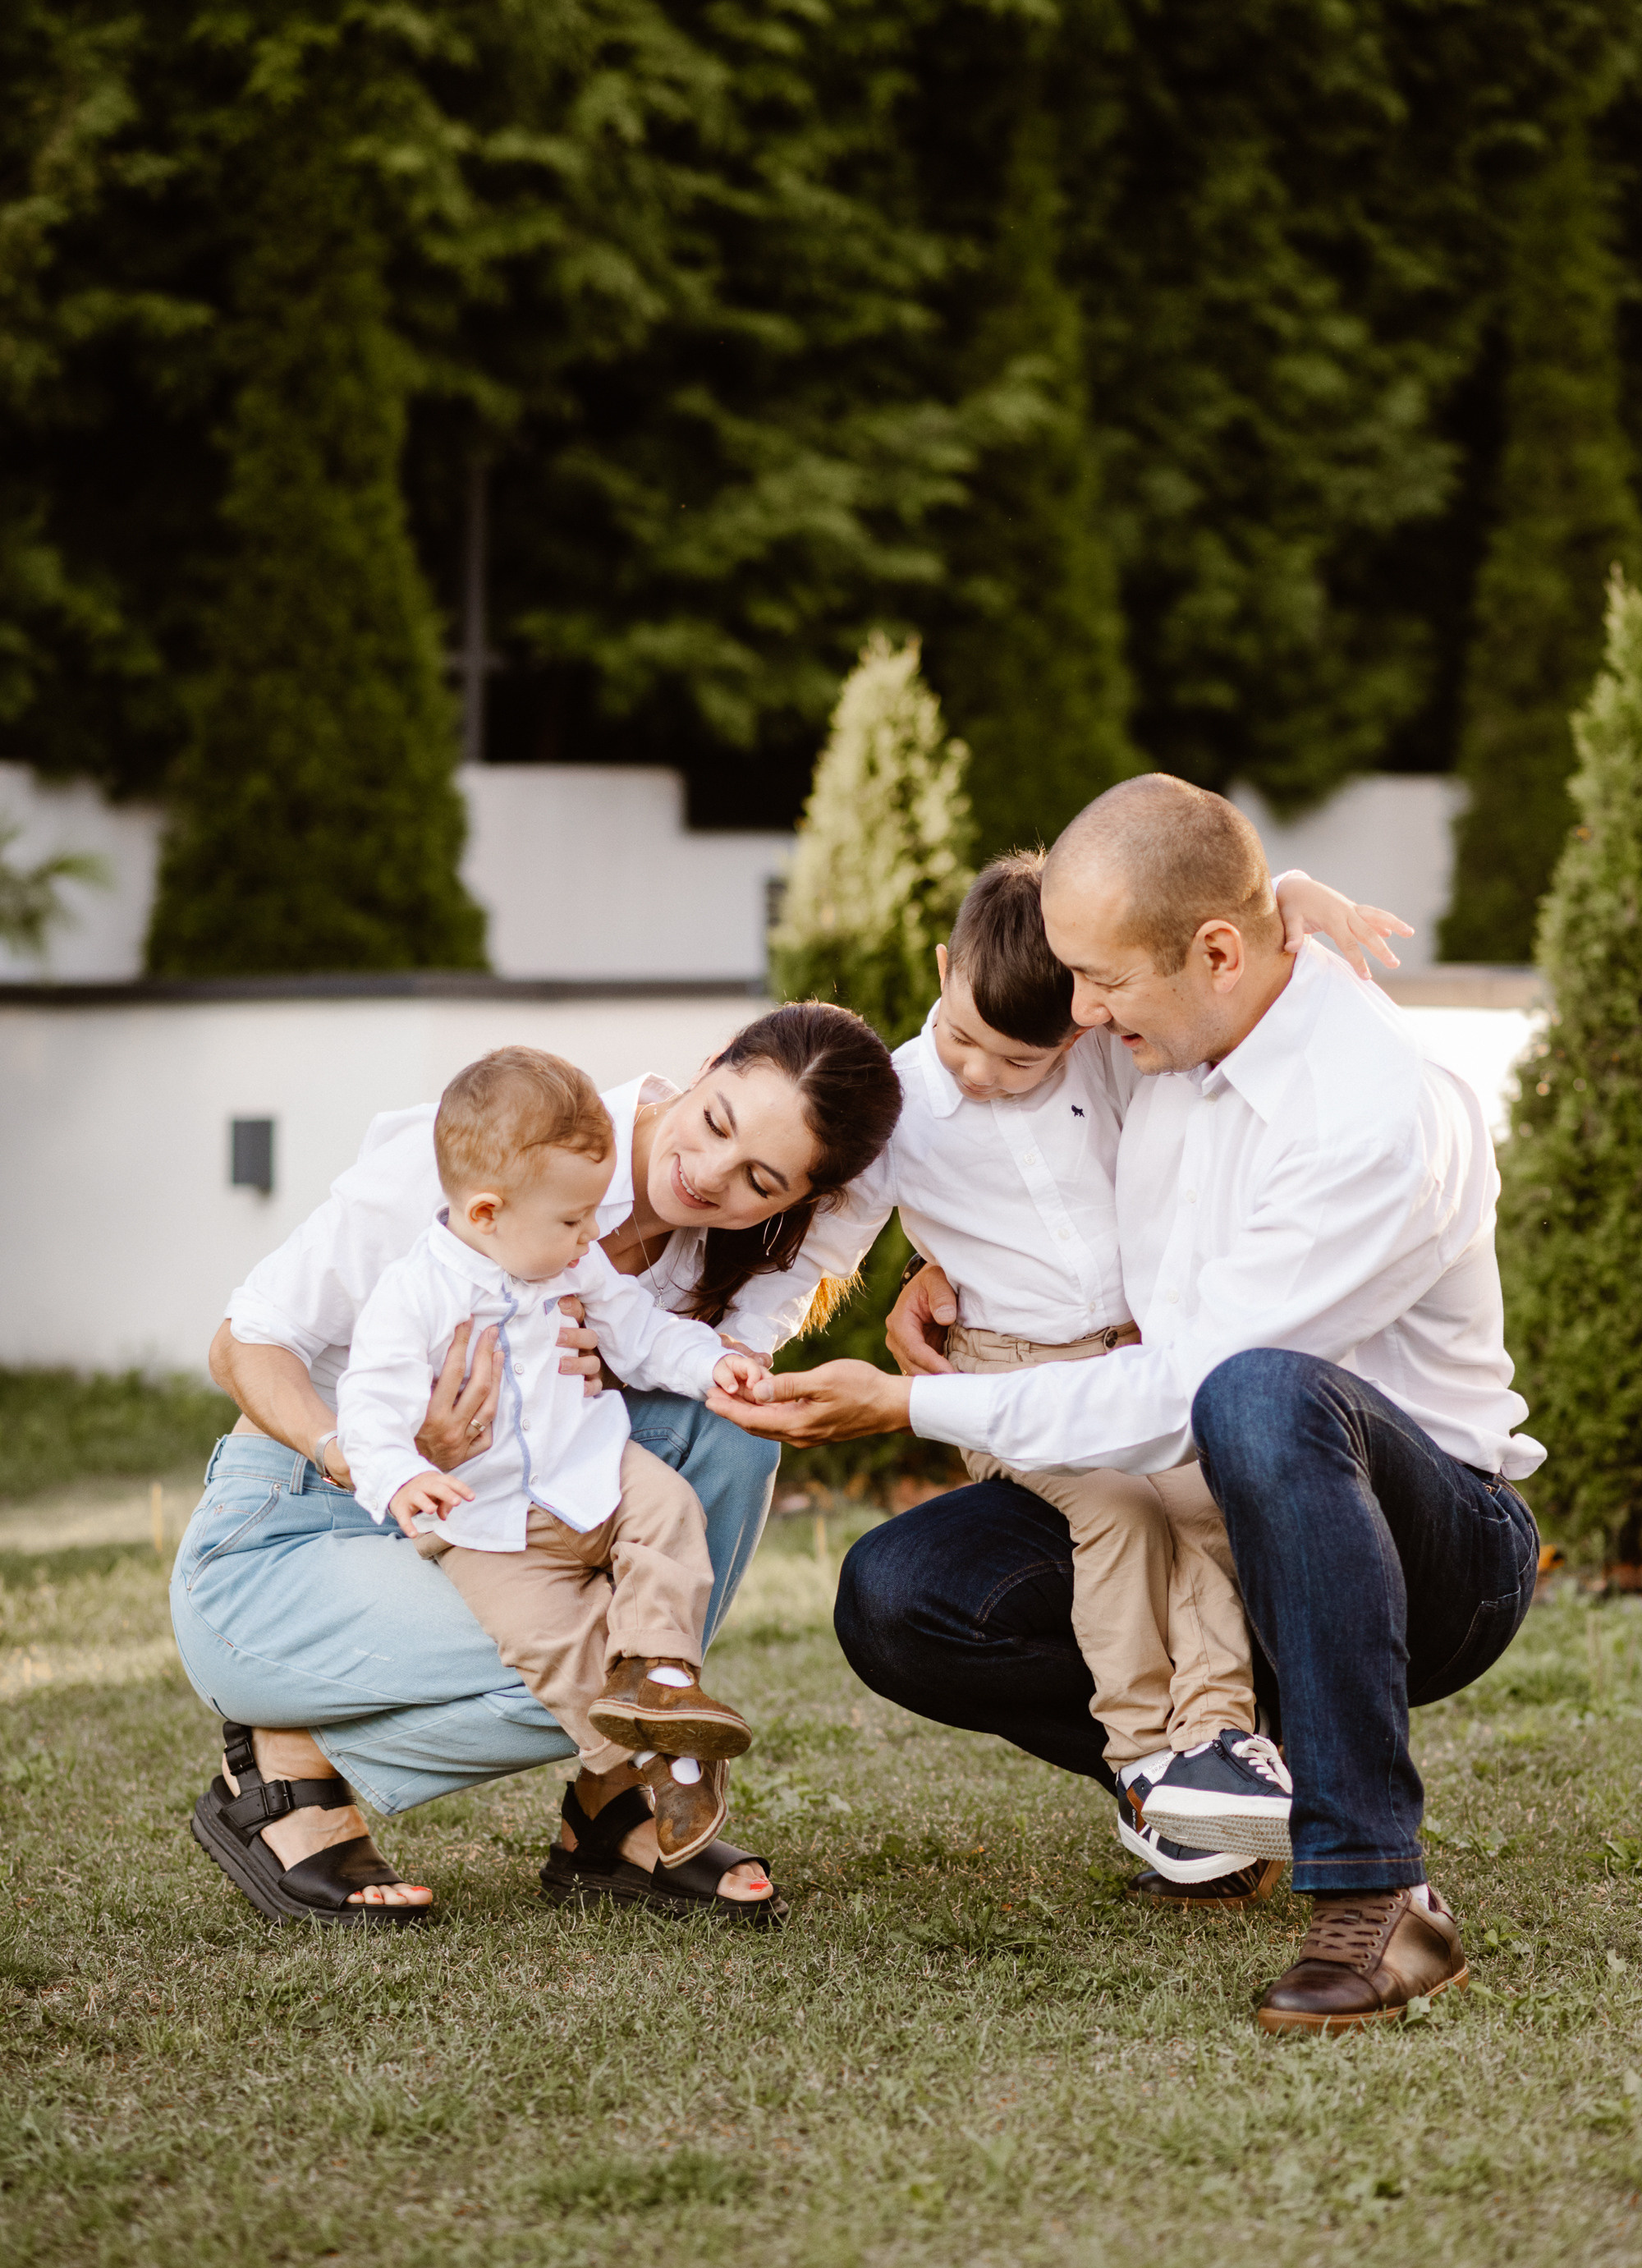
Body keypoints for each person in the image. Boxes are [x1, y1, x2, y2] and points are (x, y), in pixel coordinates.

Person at [709, 777, 1542, 2029]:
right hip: (1203, 1489)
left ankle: (1380, 1896)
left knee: (1253, 1395)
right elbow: (1177, 872)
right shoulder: (1172, 1020)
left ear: (1216, 955)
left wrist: (906, 1406)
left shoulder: (1369, 1112)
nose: (1079, 1014)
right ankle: (1204, 1791)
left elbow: (1183, 1392)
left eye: (1099, 987)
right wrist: (961, 1271)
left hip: (1427, 1545)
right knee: (900, 1597)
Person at [172, 1001, 901, 1924]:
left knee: (721, 1437)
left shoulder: (700, 1263)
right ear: (708, 1061)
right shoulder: (497, 1150)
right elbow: (245, 1342)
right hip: (293, 1526)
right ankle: (287, 1762)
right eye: (715, 1120)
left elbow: (851, 1211)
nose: (710, 1175)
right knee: (590, 1669)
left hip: (497, 1519)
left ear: (795, 1200)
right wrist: (373, 1455)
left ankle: (615, 1803)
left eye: (760, 1179)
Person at [780, 853, 1410, 1894]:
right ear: (942, 970)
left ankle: (1220, 1742)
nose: (981, 1071)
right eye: (964, 1038)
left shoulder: (1110, 1059)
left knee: (1208, 1499)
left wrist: (1292, 893)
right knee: (1117, 1510)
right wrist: (747, 1344)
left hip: (1132, 1350)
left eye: (1019, 1060)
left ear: (1077, 1027)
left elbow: (1194, 920)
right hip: (1001, 1369)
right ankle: (1141, 1763)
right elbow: (823, 1242)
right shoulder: (900, 1102)